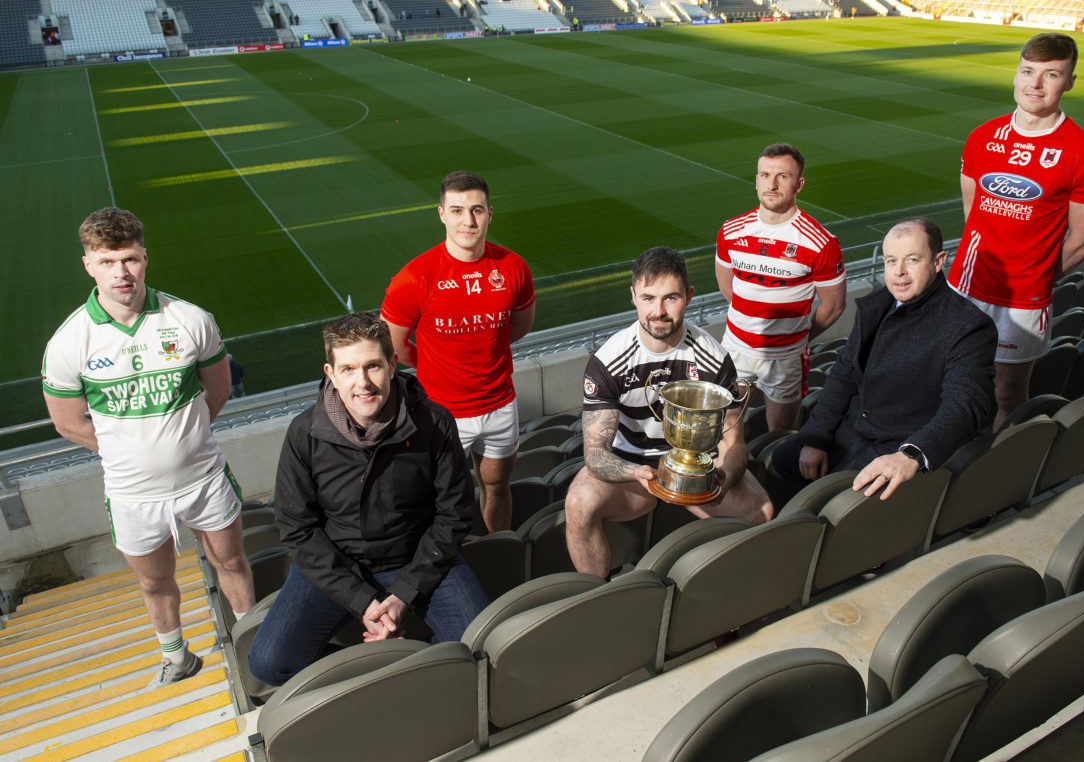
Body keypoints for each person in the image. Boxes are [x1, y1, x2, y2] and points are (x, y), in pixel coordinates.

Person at [42, 207, 254, 689]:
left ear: (144, 258)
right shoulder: (69, 341)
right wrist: (126, 452)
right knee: (155, 582)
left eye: (131, 259)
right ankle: (177, 658)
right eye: (108, 260)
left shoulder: (189, 319)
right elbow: (67, 422)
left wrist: (185, 438)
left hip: (203, 479)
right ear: (88, 265)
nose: (122, 272)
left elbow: (216, 392)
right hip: (133, 494)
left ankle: (249, 643)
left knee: (232, 562)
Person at [248, 313, 489, 686]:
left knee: (479, 646)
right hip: (337, 567)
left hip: (420, 559)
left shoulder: (434, 422)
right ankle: (365, 678)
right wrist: (363, 600)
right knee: (268, 663)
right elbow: (298, 529)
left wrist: (404, 593)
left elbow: (454, 515)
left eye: (372, 366)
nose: (362, 383)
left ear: (392, 365)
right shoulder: (304, 433)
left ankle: (414, 671)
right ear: (330, 373)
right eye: (348, 370)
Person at [565, 247, 774, 577]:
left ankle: (728, 595)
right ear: (633, 296)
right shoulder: (608, 361)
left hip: (697, 465)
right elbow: (595, 455)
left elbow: (734, 440)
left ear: (689, 296)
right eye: (648, 298)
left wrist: (722, 477)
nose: (658, 311)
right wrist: (637, 474)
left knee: (762, 510)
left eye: (670, 298)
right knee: (578, 504)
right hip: (632, 466)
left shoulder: (714, 358)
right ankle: (597, 597)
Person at [949, 32, 1084, 429]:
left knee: (1008, 391)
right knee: (951, 379)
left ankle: (1001, 467)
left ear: (1069, 82)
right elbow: (973, 210)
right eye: (1027, 71)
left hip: (1024, 299)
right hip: (966, 285)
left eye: (1051, 75)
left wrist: (1035, 278)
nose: (1035, 84)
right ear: (1017, 73)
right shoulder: (983, 136)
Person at [771, 219, 997, 500]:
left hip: (898, 444)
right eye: (891, 261)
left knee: (835, 499)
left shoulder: (969, 326)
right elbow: (843, 375)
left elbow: (966, 405)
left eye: (912, 260)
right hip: (854, 433)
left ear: (938, 262)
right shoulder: (876, 304)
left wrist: (911, 454)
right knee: (783, 458)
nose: (899, 272)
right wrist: (816, 437)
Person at [381, 170, 536, 533]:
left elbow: (519, 326)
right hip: (443, 412)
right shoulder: (415, 277)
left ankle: (500, 551)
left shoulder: (513, 268)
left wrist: (484, 346)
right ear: (441, 214)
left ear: (490, 213)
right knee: (441, 499)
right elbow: (395, 348)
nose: (468, 220)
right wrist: (439, 363)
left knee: (497, 487)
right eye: (457, 210)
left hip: (499, 404)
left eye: (477, 210)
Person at [715, 142, 847, 433]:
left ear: (799, 184)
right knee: (724, 433)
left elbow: (835, 306)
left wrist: (795, 338)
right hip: (735, 350)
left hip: (786, 360)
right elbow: (729, 288)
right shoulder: (731, 231)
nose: (771, 184)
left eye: (782, 177)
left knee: (781, 434)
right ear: (756, 179)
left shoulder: (821, 243)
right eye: (764, 175)